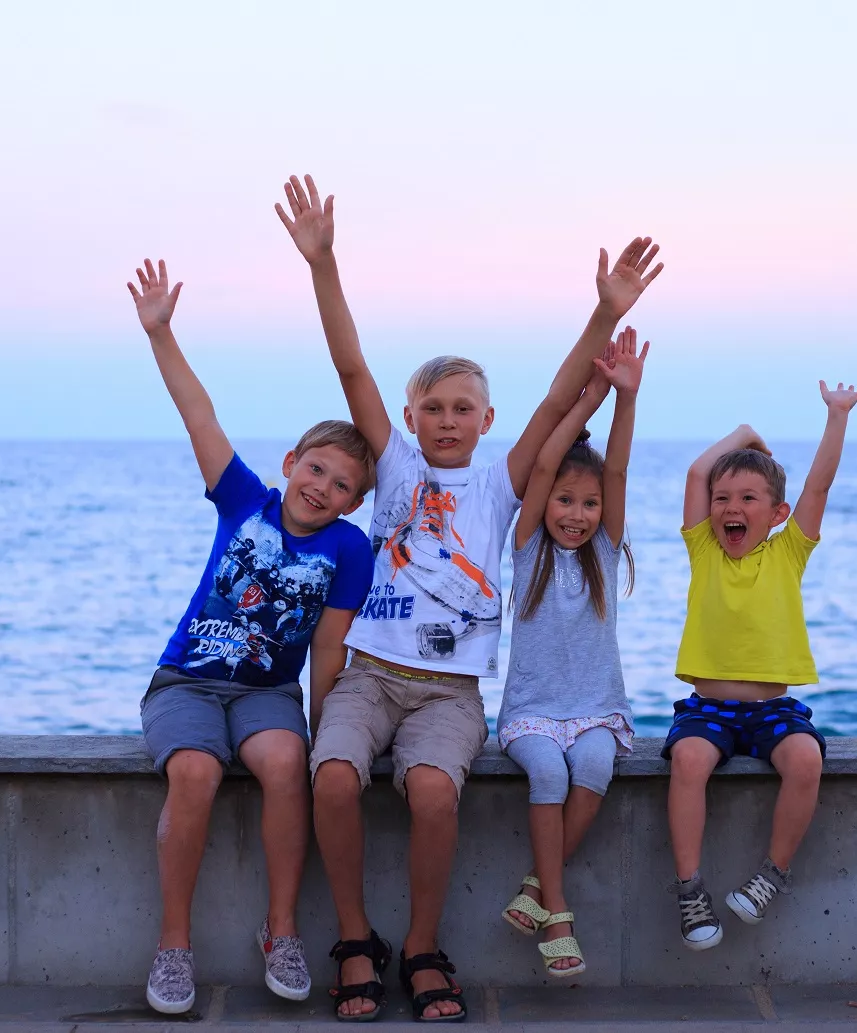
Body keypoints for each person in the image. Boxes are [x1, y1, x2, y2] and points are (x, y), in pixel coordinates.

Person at [275, 173, 663, 1021]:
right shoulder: (397, 468)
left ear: (488, 420)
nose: (448, 419)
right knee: (334, 775)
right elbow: (350, 363)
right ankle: (353, 938)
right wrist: (323, 262)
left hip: (451, 689)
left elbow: (564, 398)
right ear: (410, 419)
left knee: (434, 793)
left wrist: (603, 314)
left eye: (464, 408)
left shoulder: (502, 486)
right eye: (433, 408)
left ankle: (421, 943)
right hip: (370, 673)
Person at [127, 258, 376, 1014]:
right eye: (316, 469)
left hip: (267, 692)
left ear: (354, 502)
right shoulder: (244, 502)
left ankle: (282, 930)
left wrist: (326, 722)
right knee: (196, 774)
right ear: (290, 462)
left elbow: (328, 649)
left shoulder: (349, 549)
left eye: (341, 486)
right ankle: (174, 946)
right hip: (188, 682)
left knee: (283, 761)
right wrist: (161, 332)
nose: (322, 488)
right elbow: (199, 413)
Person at [664, 381, 857, 951]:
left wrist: (836, 417)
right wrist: (746, 436)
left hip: (772, 710)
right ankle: (689, 890)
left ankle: (771, 876)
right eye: (723, 498)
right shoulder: (703, 547)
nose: (731, 508)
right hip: (708, 709)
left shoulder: (788, 551)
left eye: (748, 498)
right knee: (687, 758)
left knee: (806, 759)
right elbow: (694, 475)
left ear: (778, 512)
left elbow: (819, 483)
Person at [497, 328, 647, 977]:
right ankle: (557, 910)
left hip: (594, 709)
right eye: (565, 499)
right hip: (531, 710)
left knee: (592, 766)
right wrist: (587, 402)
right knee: (549, 774)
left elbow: (614, 467)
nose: (577, 513)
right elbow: (542, 464)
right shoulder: (527, 545)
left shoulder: (605, 555)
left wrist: (626, 399)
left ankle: (535, 887)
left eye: (588, 504)